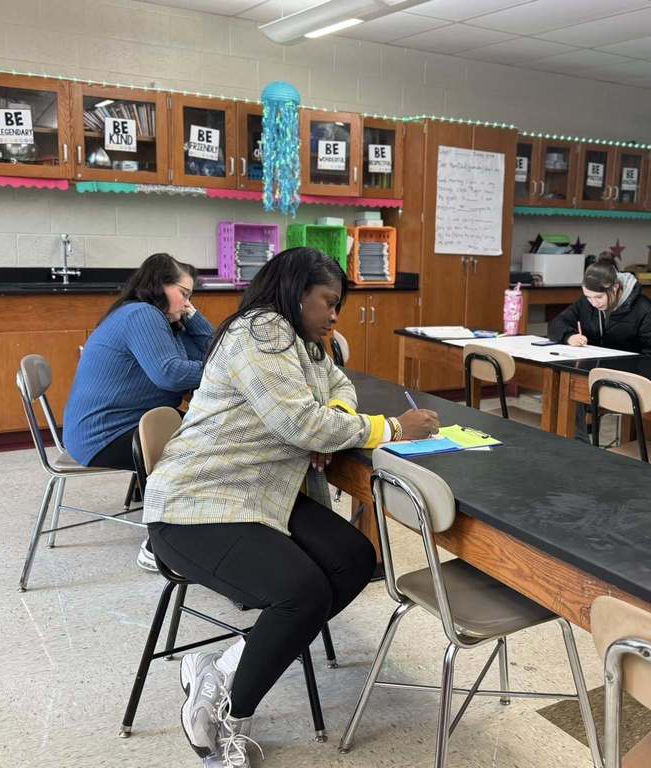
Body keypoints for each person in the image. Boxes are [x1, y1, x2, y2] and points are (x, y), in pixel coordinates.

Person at [142, 247, 439, 767]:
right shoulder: (261, 332)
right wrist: (390, 428)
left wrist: (333, 416)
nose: (333, 315)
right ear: (296, 292)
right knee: (300, 594)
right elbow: (300, 425)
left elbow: (337, 386)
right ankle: (232, 717)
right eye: (327, 302)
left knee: (350, 560)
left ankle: (222, 667)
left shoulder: (304, 343)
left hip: (259, 493)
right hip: (197, 502)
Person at [63, 253, 213, 570]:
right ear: (159, 285)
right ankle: (159, 543)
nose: (187, 304)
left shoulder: (164, 321)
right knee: (208, 441)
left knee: (206, 431)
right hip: (103, 436)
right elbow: (170, 374)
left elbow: (214, 350)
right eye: (184, 294)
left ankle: (185, 520)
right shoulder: (142, 315)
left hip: (114, 428)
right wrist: (225, 374)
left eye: (191, 298)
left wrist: (192, 317)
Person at [547, 252, 651, 356]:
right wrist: (569, 337)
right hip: (592, 367)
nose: (594, 303)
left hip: (629, 374)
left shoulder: (646, 311)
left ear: (615, 288)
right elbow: (556, 324)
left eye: (599, 297)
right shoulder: (586, 303)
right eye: (588, 297)